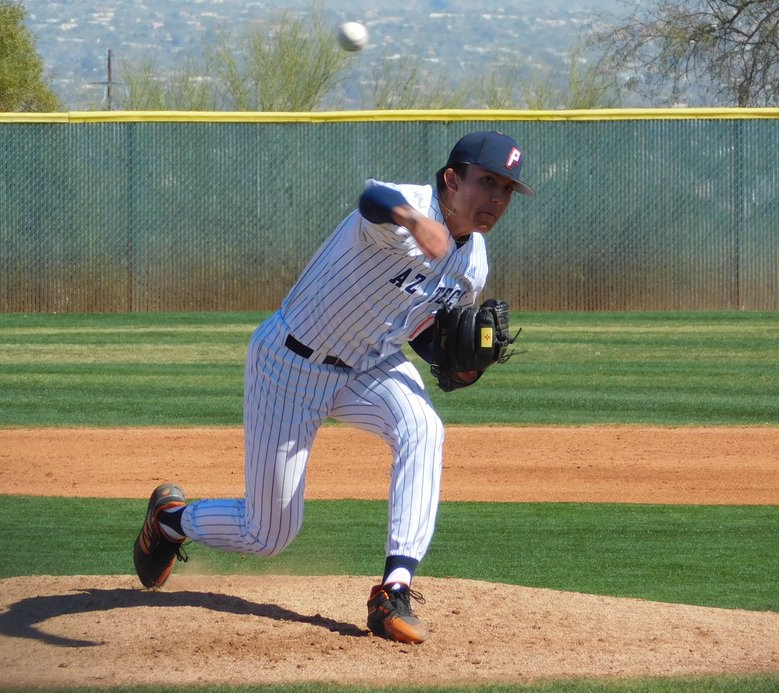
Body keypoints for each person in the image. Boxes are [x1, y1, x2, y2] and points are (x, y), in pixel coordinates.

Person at [133, 130, 534, 644]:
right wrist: (415, 221)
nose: (497, 199)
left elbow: (423, 330)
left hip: (369, 365)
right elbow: (371, 198)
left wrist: (459, 366)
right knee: (268, 534)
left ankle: (394, 590)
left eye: (507, 189)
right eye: (488, 182)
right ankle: (170, 522)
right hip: (290, 362)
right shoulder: (409, 205)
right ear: (453, 180)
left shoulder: (473, 262)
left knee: (423, 428)